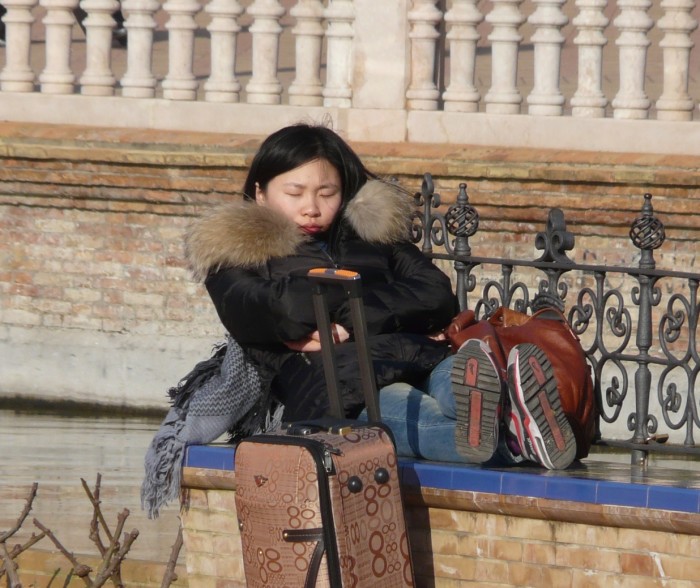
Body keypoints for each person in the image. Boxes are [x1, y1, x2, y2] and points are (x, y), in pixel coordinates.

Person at [184, 123, 578, 470]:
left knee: (457, 384)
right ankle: (515, 430)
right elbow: (277, 310)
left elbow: (437, 295)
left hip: (421, 357)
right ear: (261, 192)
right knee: (411, 415)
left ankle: (512, 417)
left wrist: (343, 323)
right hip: (342, 389)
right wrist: (382, 304)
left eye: (327, 192)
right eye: (295, 192)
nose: (312, 207)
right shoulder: (235, 255)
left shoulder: (373, 237)